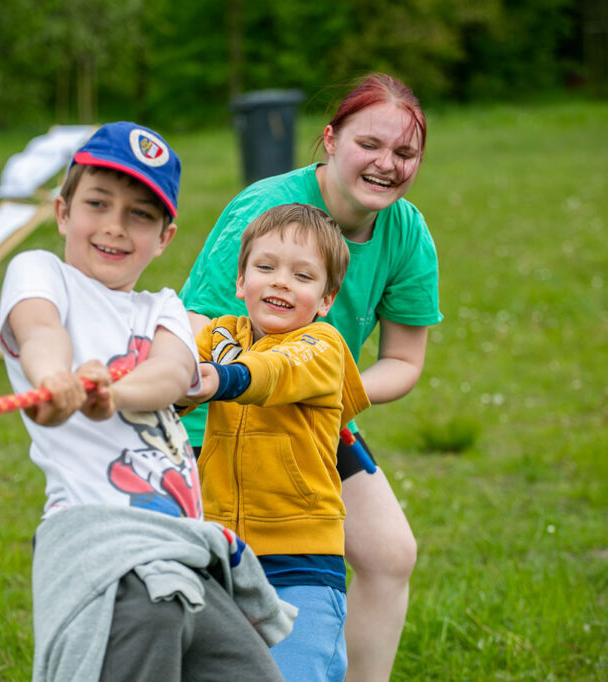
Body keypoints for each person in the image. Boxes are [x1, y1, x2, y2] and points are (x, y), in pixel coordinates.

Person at [0, 121, 294, 682]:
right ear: (62, 212)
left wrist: (111, 393)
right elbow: (39, 332)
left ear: (164, 237)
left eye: (139, 214)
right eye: (97, 204)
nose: (114, 226)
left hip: (184, 549)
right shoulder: (41, 273)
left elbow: (171, 372)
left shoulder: (162, 308)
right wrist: (55, 379)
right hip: (105, 545)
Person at [179, 73, 442, 681]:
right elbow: (196, 325)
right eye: (369, 145)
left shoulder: (407, 233)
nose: (386, 165)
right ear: (330, 139)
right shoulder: (266, 211)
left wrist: (323, 395)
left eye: (404, 153)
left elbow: (403, 363)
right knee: (204, 584)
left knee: (389, 553)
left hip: (312, 415)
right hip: (214, 416)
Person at [177, 203, 371, 682]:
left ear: (326, 298)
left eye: (302, 276)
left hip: (300, 558)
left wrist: (220, 377)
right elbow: (172, 379)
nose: (281, 282)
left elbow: (272, 373)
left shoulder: (322, 346)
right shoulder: (220, 334)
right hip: (221, 553)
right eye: (265, 268)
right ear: (241, 282)